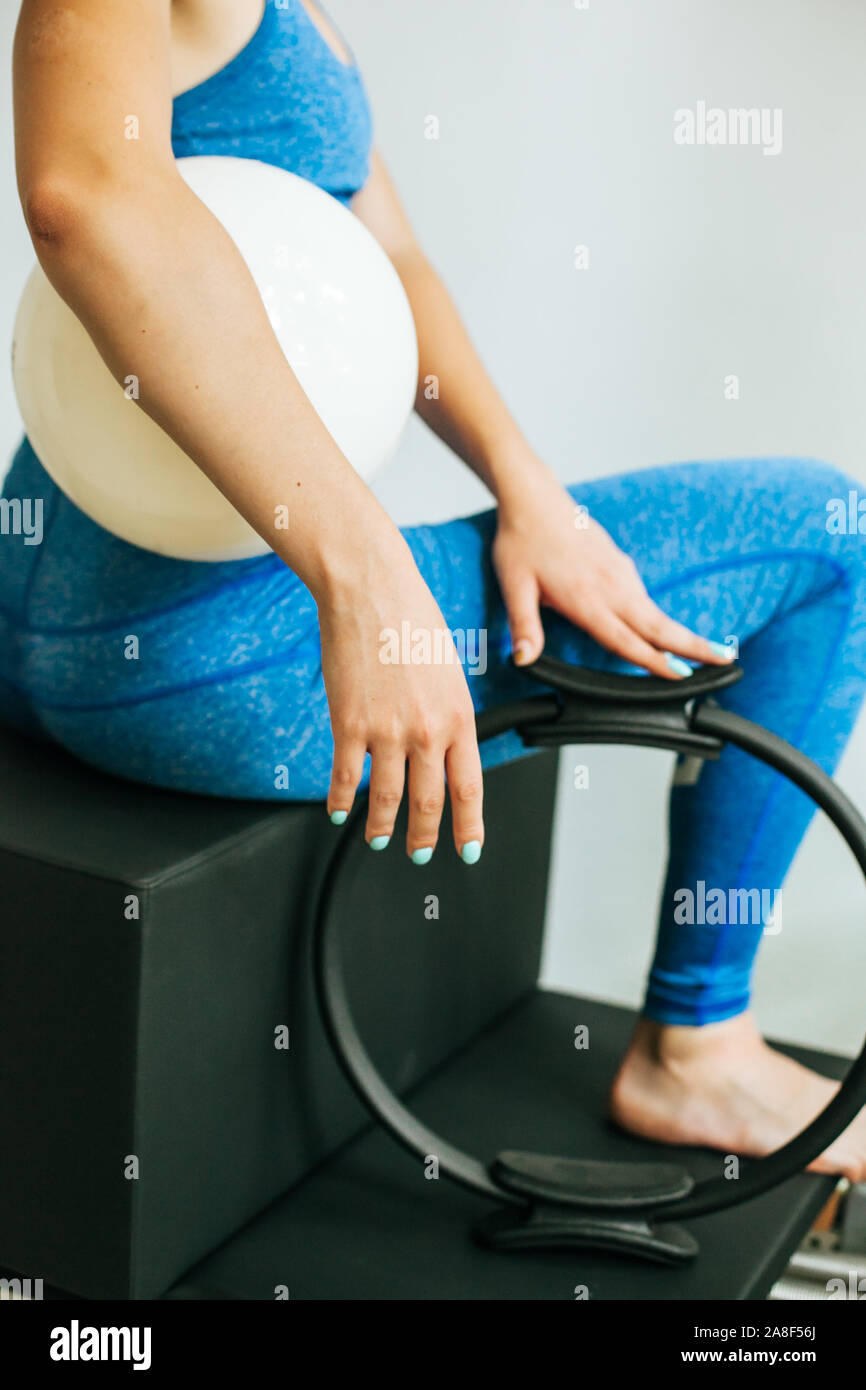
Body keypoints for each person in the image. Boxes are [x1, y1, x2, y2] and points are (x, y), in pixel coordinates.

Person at [4, 0, 866, 1178]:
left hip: (49, 612)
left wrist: (529, 492)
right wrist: (370, 584)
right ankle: (696, 1044)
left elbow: (385, 255)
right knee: (827, 540)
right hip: (194, 649)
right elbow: (87, 195)